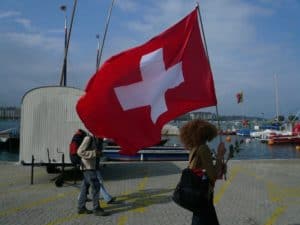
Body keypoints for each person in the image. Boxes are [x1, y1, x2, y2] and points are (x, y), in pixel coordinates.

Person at [179, 119, 226, 225]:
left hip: (196, 192)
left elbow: (202, 170)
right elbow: (213, 175)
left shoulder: (194, 148)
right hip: (203, 195)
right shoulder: (203, 148)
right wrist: (219, 155)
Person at [77, 134, 109, 216]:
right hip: (87, 167)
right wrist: (94, 153)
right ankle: (96, 208)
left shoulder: (97, 139)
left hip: (90, 166)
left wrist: (98, 153)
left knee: (85, 187)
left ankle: (81, 207)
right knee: (96, 186)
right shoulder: (89, 138)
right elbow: (79, 152)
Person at [93, 136, 116, 204]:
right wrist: (95, 153)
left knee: (85, 184)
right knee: (99, 182)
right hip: (91, 166)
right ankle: (107, 198)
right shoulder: (93, 140)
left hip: (93, 165)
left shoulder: (99, 140)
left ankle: (81, 199)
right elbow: (82, 152)